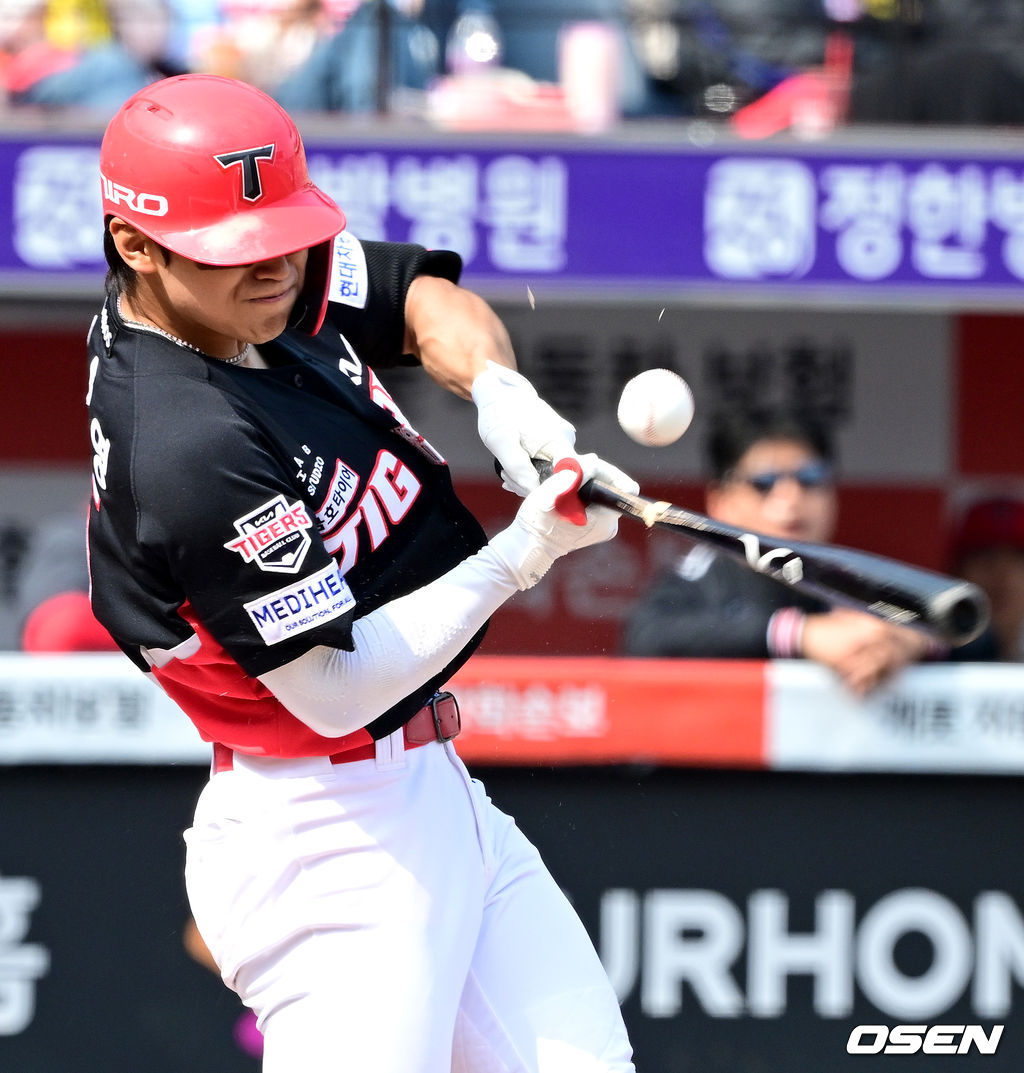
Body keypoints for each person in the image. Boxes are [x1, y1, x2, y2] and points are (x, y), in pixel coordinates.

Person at [86, 74, 637, 1073]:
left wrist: (499, 391)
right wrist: (524, 551)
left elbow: (421, 298)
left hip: (427, 785)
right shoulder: (184, 440)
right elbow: (335, 692)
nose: (276, 266)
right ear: (136, 244)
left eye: (287, 235)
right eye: (238, 247)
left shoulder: (244, 282)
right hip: (321, 831)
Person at [622, 411, 943, 696]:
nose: (791, 498)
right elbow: (647, 638)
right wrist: (799, 635)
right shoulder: (697, 578)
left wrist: (911, 641)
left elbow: (964, 624)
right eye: (764, 483)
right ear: (721, 501)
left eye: (809, 479)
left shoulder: (853, 576)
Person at [949, 496, 1024, 661]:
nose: (1002, 575)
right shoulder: (933, 649)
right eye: (986, 558)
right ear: (958, 572)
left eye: (1018, 560)